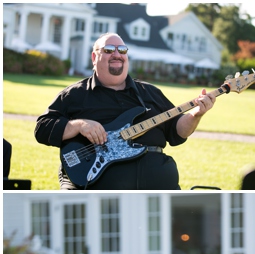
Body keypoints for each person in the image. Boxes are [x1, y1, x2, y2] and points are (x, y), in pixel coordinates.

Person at [35, 33, 216, 190]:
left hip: (158, 183)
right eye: (108, 49)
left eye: (122, 50)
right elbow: (42, 128)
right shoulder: (75, 94)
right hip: (98, 182)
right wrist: (78, 126)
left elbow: (176, 131)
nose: (116, 54)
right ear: (94, 57)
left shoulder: (149, 92)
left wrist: (196, 114)